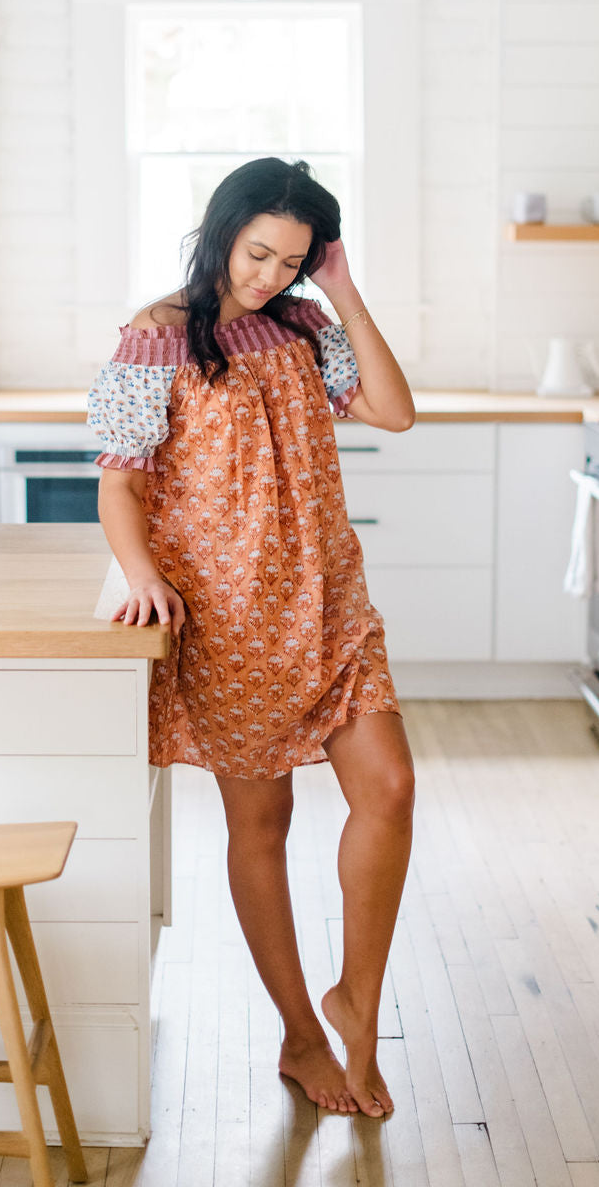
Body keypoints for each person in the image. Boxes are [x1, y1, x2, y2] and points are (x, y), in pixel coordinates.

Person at [88, 157, 416, 1119]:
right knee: (259, 828)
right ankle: (301, 1035)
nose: (271, 274)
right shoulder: (156, 340)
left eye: (295, 260)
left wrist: (346, 294)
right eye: (259, 252)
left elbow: (394, 411)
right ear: (221, 229)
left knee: (390, 789)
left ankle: (356, 998)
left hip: (330, 599)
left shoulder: (312, 326)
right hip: (229, 619)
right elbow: (120, 479)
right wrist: (144, 574)